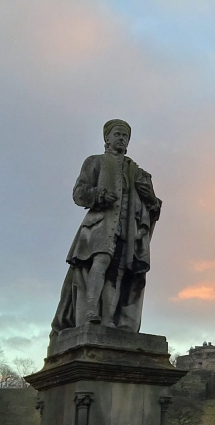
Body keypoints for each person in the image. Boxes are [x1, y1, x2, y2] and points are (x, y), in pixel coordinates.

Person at [51, 120, 161, 334]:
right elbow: (79, 193)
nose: (122, 138)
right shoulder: (95, 162)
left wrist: (150, 198)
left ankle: (109, 320)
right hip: (99, 226)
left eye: (125, 136)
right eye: (118, 134)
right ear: (107, 138)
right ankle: (91, 310)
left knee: (117, 273)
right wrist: (99, 195)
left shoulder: (136, 172)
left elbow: (152, 206)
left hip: (126, 230)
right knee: (100, 261)